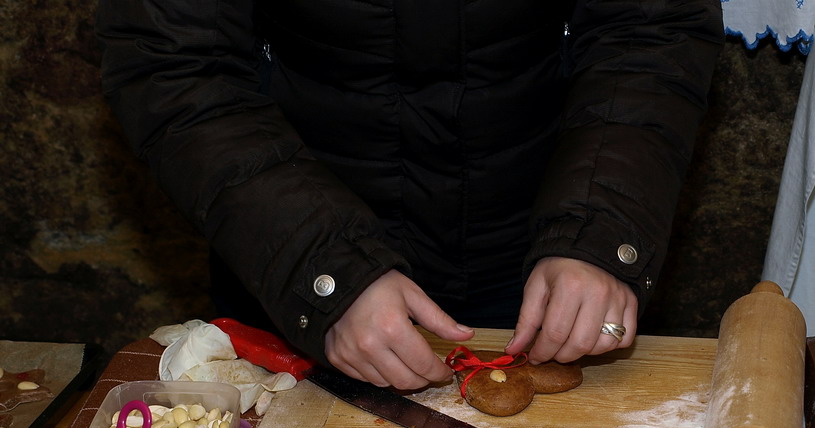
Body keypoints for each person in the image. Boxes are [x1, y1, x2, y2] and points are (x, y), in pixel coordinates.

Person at [96, 0, 723, 390]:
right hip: (290, 247)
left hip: (539, 245)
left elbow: (650, 29)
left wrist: (598, 228)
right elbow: (172, 61)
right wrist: (325, 271)